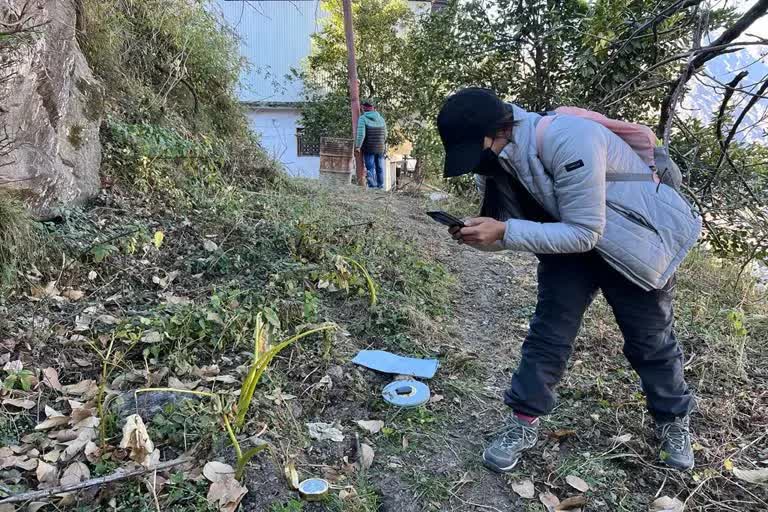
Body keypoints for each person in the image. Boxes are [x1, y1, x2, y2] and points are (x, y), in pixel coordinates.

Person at [436, 88, 702, 473]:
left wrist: (503, 231)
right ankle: (522, 422)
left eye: (473, 149)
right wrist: (477, 237)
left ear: (497, 130)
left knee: (651, 340)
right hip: (568, 252)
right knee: (548, 335)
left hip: (633, 247)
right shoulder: (492, 166)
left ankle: (673, 422)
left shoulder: (569, 138)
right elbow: (507, 232)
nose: (473, 162)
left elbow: (584, 232)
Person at [354, 99, 388, 189]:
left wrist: (358, 146)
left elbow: (361, 134)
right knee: (380, 167)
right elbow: (385, 135)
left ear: (364, 109)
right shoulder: (381, 119)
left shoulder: (363, 118)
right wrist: (383, 146)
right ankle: (380, 186)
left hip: (369, 148)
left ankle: (372, 186)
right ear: (374, 109)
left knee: (370, 168)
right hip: (380, 148)